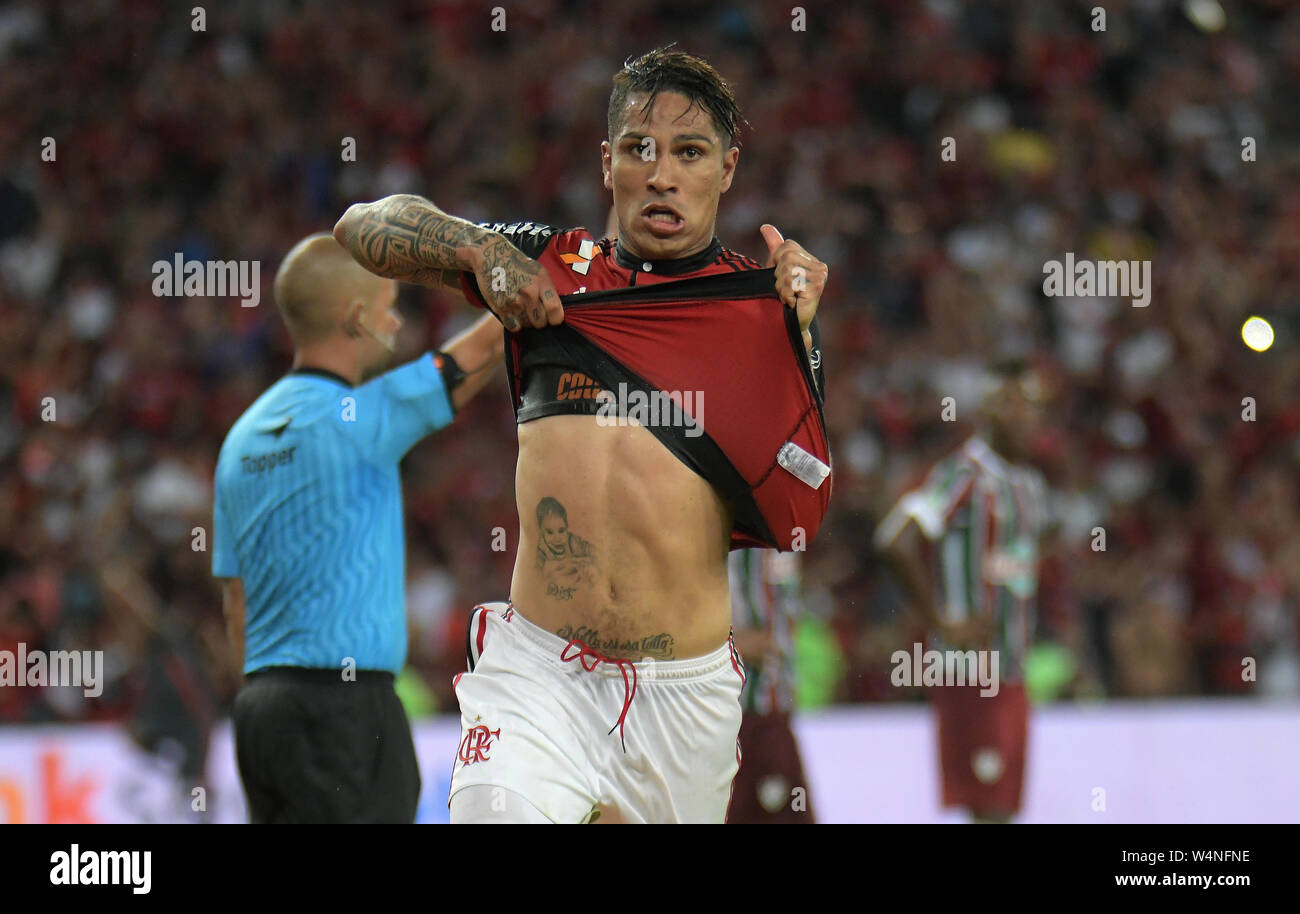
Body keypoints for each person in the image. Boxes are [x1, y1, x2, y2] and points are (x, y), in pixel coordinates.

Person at [334, 46, 830, 824]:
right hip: (539, 675)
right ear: (608, 163)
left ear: (727, 171)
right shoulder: (549, 265)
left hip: (683, 698)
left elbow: (803, 510)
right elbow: (361, 225)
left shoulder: (762, 310)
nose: (661, 174)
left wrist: (803, 344)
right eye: (640, 149)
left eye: (689, 153)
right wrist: (481, 250)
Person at [211, 233, 504, 823]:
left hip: (261, 712)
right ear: (355, 318)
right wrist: (548, 272)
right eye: (388, 306)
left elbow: (235, 605)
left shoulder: (239, 442)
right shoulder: (357, 417)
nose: (396, 322)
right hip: (346, 711)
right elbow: (482, 350)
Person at [874, 369, 1050, 823]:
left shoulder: (1028, 485)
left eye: (1031, 406)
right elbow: (893, 540)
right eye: (1012, 405)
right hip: (971, 666)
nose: (1025, 417)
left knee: (1002, 806)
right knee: (987, 807)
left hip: (1011, 665)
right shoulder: (964, 473)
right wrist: (941, 621)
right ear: (988, 412)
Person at [726, 548, 816, 824]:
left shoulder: (781, 540)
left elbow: (785, 621)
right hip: (730, 715)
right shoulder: (723, 540)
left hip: (767, 710)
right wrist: (729, 646)